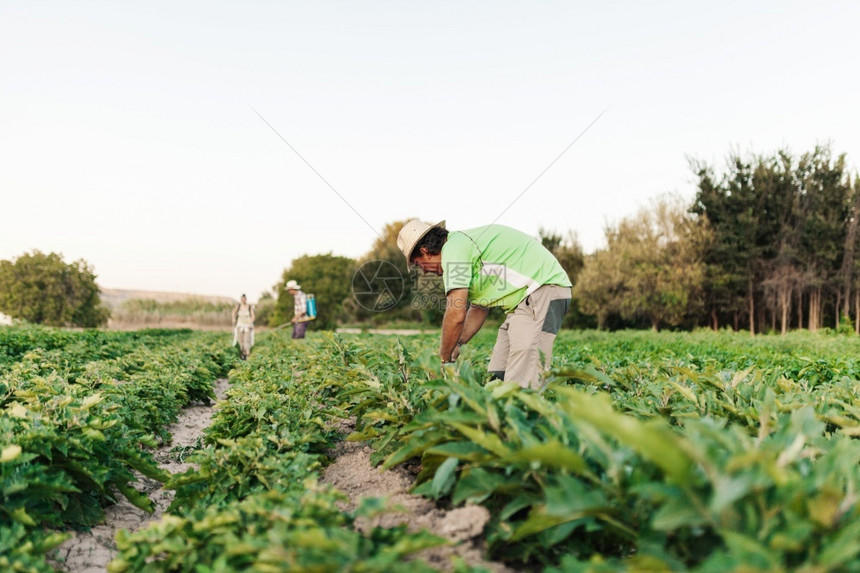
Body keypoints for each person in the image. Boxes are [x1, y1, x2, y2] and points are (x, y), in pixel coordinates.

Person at [397, 219, 572, 390]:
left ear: (425, 251)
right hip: (523, 304)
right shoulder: (461, 247)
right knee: (497, 373)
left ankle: (525, 415)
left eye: (420, 265)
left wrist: (442, 360)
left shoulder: (453, 249)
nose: (425, 271)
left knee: (522, 380)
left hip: (543, 290)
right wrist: (457, 345)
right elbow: (479, 308)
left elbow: (455, 314)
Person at [232, 294, 255, 360]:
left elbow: (253, 316)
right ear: (240, 299)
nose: (243, 300)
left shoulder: (249, 307)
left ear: (246, 299)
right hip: (240, 325)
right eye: (242, 299)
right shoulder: (238, 306)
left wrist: (250, 322)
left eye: (244, 299)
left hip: (247, 326)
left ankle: (247, 355)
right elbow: (233, 313)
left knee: (247, 340)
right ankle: (242, 355)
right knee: (240, 340)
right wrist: (233, 318)